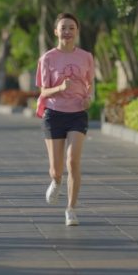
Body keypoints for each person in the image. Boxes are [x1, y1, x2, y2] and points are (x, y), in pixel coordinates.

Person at [35, 12, 94, 226]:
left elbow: (90, 83)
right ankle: (55, 180)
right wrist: (60, 87)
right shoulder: (48, 58)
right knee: (57, 169)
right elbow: (43, 91)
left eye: (71, 28)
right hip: (54, 114)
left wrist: (89, 98)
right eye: (63, 28)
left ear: (77, 31)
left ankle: (71, 208)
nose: (67, 31)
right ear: (56, 31)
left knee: (73, 161)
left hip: (78, 113)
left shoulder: (86, 56)